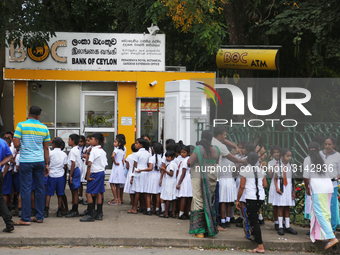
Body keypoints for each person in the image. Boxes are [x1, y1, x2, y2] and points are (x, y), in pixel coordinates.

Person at [13, 105, 50, 225]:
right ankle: (39, 216)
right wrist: (47, 164)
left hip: (26, 161)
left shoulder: (21, 125)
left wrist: (22, 147)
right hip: (39, 161)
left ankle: (25, 218)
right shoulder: (44, 127)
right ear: (39, 115)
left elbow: (16, 143)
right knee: (40, 189)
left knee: (26, 190)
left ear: (28, 113)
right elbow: (46, 148)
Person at [303, 142, 339, 250]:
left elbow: (306, 177)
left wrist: (307, 187)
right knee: (324, 211)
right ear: (319, 148)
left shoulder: (308, 159)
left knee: (320, 213)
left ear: (308, 149)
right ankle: (317, 235)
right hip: (328, 187)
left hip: (319, 189)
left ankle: (331, 237)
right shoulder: (323, 158)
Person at [236, 152, 267, 254]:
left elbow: (242, 186)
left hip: (250, 197)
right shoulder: (261, 170)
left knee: (253, 221)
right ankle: (252, 235)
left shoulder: (244, 170)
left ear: (247, 160)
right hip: (260, 197)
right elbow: (265, 185)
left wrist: (238, 199)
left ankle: (260, 246)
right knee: (254, 218)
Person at [80, 133, 107, 222]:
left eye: (91, 139)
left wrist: (87, 176)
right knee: (98, 193)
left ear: (96, 141)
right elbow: (105, 165)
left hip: (94, 173)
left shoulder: (94, 151)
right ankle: (99, 213)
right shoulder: (102, 151)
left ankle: (90, 214)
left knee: (88, 193)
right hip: (101, 172)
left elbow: (89, 164)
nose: (90, 141)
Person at [273, 148, 297, 235]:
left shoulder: (292, 167)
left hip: (288, 189)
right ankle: (280, 226)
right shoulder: (278, 166)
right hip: (281, 188)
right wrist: (277, 188)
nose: (289, 158)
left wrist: (293, 191)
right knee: (281, 207)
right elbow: (275, 179)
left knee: (287, 207)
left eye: (290, 156)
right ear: (282, 157)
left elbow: (293, 180)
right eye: (287, 156)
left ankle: (287, 226)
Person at [320, 136, 340, 233]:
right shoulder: (320, 154)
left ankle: (332, 229)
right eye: (326, 144)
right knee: (321, 206)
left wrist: (335, 177)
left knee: (331, 207)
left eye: (329, 144)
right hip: (320, 184)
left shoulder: (338, 156)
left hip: (332, 185)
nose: (327, 146)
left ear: (334, 145)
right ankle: (321, 228)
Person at [45, 137, 67, 218]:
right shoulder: (64, 154)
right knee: (60, 194)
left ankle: (46, 210)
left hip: (51, 174)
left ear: (53, 145)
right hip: (60, 175)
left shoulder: (50, 153)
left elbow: (47, 162)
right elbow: (65, 165)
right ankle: (60, 211)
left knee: (48, 194)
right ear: (61, 146)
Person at [130, 138, 150, 214]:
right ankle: (145, 207)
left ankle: (134, 208)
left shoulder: (137, 154)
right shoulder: (148, 154)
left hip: (138, 172)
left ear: (141, 145)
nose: (135, 144)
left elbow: (135, 166)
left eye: (136, 143)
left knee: (137, 191)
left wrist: (132, 176)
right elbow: (148, 164)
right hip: (145, 172)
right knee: (144, 191)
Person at [219, 150, 237, 229]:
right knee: (229, 202)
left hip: (222, 181)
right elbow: (234, 173)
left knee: (222, 202)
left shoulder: (218, 161)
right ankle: (228, 219)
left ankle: (222, 220)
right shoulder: (231, 162)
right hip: (230, 181)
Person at [0, 136, 14, 232]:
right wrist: (0, 164)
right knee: (0, 199)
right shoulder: (2, 142)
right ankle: (9, 223)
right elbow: (10, 156)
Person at [145, 142, 163, 215]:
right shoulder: (161, 158)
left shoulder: (151, 158)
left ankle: (148, 209)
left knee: (149, 194)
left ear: (154, 150)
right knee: (158, 194)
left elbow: (150, 168)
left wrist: (142, 170)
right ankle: (157, 209)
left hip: (151, 176)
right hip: (158, 176)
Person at [66, 134, 81, 217]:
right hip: (74, 170)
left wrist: (70, 175)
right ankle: (73, 208)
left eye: (69, 139)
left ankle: (75, 210)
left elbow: (73, 163)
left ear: (73, 141)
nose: (68, 141)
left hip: (74, 171)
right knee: (73, 190)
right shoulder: (75, 149)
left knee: (75, 191)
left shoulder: (73, 151)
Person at [176, 145, 193, 220]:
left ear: (188, 153)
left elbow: (183, 173)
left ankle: (181, 213)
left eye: (184, 152)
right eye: (181, 152)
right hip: (189, 179)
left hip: (185, 179)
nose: (182, 154)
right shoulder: (190, 159)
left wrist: (179, 183)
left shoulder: (185, 161)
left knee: (183, 196)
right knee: (189, 197)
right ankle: (189, 212)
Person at [159, 150, 177, 218]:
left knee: (168, 198)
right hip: (173, 181)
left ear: (172, 157)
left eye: (168, 157)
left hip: (170, 181)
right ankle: (173, 212)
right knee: (173, 197)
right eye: (166, 157)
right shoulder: (174, 164)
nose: (167, 158)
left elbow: (171, 174)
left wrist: (164, 169)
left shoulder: (172, 164)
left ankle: (166, 213)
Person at [267, 145, 281, 230]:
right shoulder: (270, 163)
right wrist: (273, 168)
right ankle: (276, 222)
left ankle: (282, 221)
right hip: (274, 183)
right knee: (275, 204)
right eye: (274, 152)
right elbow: (270, 175)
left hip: (282, 183)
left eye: (278, 152)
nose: (276, 154)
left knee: (282, 204)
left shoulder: (283, 161)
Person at [108, 137, 126, 205]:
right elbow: (123, 159)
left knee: (112, 183)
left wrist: (115, 162)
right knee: (118, 184)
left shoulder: (116, 149)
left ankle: (115, 199)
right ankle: (119, 199)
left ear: (119, 144)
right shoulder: (122, 150)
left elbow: (112, 156)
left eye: (115, 142)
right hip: (121, 166)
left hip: (116, 166)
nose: (114, 143)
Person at [125, 144, 138, 213]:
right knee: (137, 192)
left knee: (131, 192)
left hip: (130, 174)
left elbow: (127, 167)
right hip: (137, 173)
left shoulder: (129, 157)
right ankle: (137, 206)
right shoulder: (138, 156)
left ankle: (133, 206)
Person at [78, 135, 86, 205]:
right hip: (77, 165)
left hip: (82, 165)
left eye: (81, 142)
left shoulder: (85, 148)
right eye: (79, 142)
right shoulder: (76, 148)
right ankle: (78, 196)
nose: (80, 143)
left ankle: (80, 196)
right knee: (77, 182)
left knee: (80, 181)